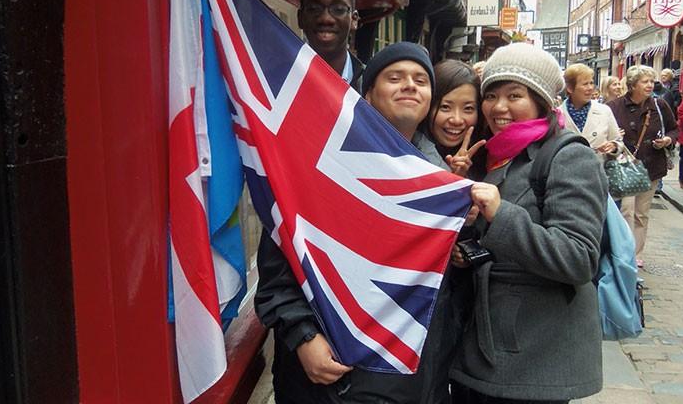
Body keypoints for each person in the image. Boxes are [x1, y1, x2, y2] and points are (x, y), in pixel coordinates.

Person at [256, 42, 463, 404]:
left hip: (415, 385)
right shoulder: (320, 167)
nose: (410, 86)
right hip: (330, 379)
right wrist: (303, 336)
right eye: (395, 77)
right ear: (367, 94)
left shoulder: (446, 182)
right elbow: (276, 269)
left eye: (420, 79)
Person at [451, 43, 607, 403]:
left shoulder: (569, 156)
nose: (499, 107)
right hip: (478, 349)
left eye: (514, 95)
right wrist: (467, 247)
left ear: (540, 100)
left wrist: (500, 212)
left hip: (533, 360)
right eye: (490, 95)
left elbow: (579, 257)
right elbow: (491, 242)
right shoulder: (490, 153)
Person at [607, 65, 678, 267]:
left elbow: (674, 129)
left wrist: (667, 140)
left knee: (641, 213)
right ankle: (622, 249)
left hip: (651, 165)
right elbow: (606, 132)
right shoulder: (614, 106)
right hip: (625, 166)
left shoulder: (659, 105)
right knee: (626, 210)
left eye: (651, 81)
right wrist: (615, 136)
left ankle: (636, 253)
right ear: (632, 84)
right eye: (645, 81)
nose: (650, 85)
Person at [298, 0, 364, 91]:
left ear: (354, 20)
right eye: (314, 9)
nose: (325, 18)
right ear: (300, 18)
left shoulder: (371, 86)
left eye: (338, 9)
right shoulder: (275, 81)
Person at [422, 59, 484, 178]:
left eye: (468, 108)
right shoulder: (409, 156)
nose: (457, 120)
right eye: (445, 107)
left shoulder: (486, 160)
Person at [561, 64, 621, 160]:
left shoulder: (604, 111)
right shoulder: (557, 114)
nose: (590, 88)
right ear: (570, 88)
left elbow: (618, 141)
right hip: (567, 171)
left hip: (598, 171)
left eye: (591, 83)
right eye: (585, 84)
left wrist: (613, 146)